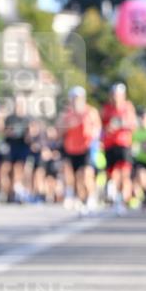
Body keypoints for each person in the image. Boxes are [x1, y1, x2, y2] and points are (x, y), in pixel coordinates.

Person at [57, 86, 101, 215]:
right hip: (70, 149)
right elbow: (58, 132)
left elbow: (97, 129)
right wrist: (66, 126)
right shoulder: (66, 114)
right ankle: (81, 200)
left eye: (79, 98)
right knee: (75, 178)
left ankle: (92, 197)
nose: (76, 101)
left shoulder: (90, 112)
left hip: (86, 148)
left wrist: (92, 135)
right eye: (74, 98)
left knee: (86, 174)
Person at [101, 83, 137, 213]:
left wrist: (120, 123)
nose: (116, 97)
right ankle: (114, 197)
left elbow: (133, 124)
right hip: (109, 145)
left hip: (123, 144)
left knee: (124, 173)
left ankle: (123, 199)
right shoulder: (106, 108)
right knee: (112, 174)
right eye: (114, 94)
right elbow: (102, 126)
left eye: (118, 94)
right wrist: (108, 128)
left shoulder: (128, 107)